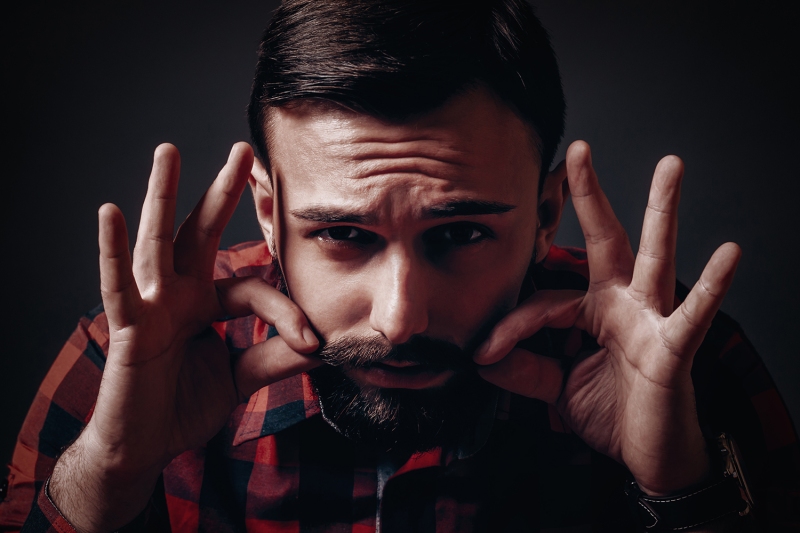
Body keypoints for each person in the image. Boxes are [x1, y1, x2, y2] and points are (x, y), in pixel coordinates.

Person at [2, 0, 798, 531]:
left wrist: (682, 486)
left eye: (459, 236)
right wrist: (110, 468)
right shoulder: (132, 360)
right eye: (344, 236)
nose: (400, 317)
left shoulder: (677, 359)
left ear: (547, 213)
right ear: (269, 213)